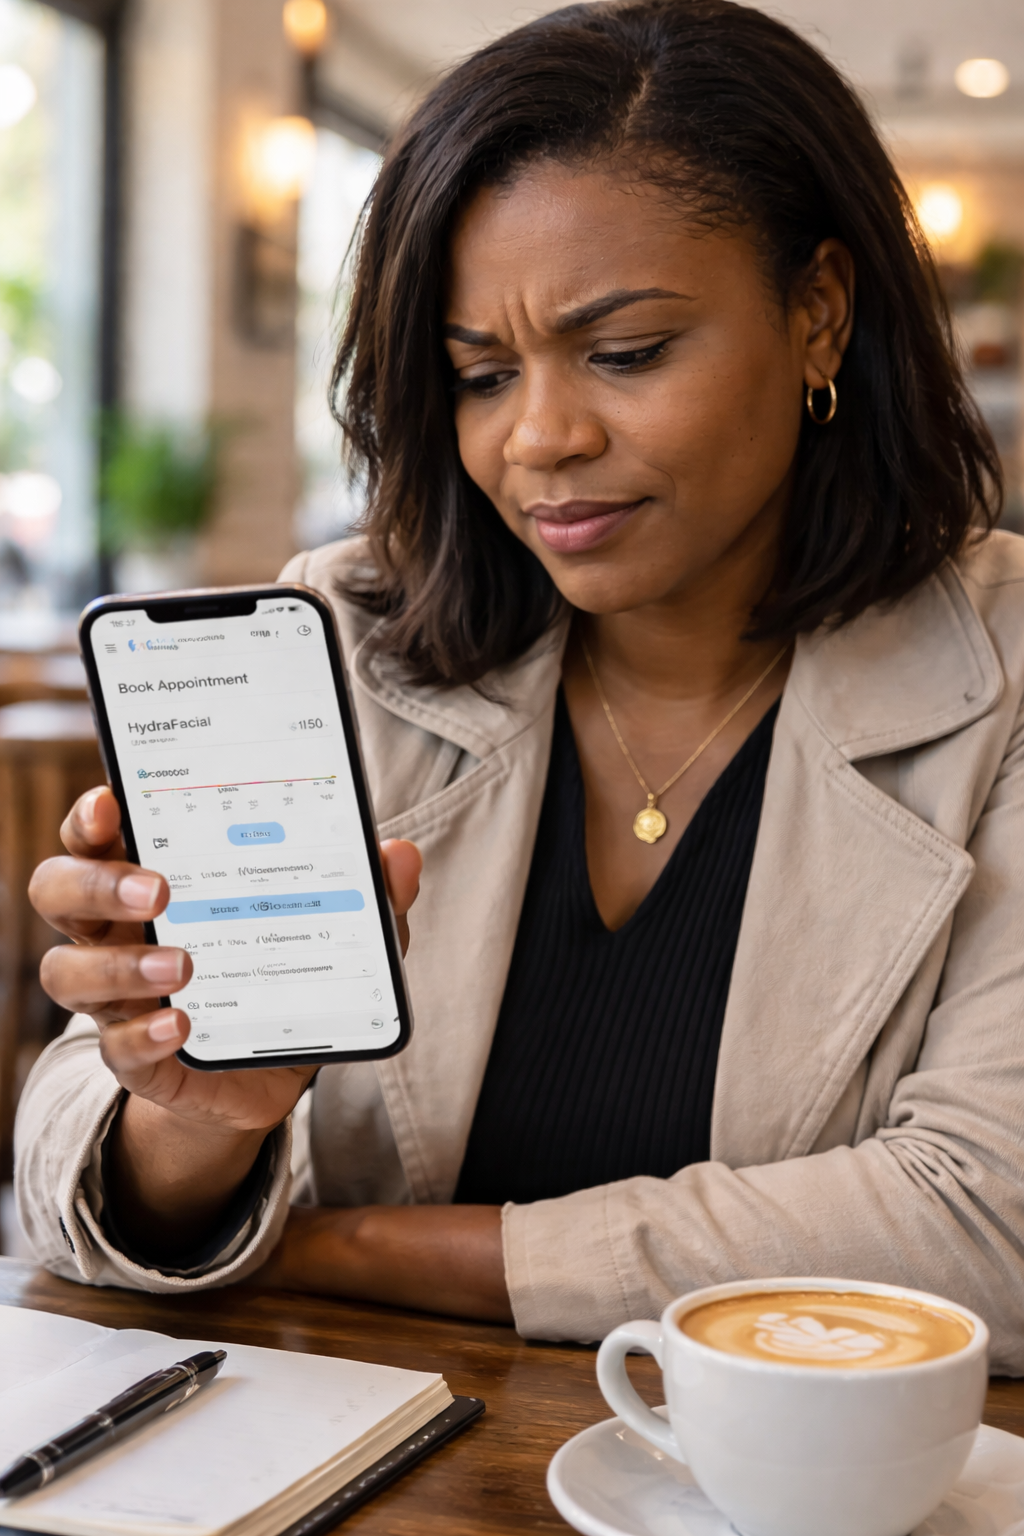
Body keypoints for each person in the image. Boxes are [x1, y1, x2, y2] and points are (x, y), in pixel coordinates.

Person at [16, 0, 1024, 1370]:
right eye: (480, 374)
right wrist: (193, 1122)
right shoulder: (354, 638)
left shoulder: (999, 677)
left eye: (627, 353)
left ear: (819, 316)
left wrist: (346, 1247)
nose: (540, 437)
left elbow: (986, 1228)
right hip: (352, 1455)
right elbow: (68, 1170)